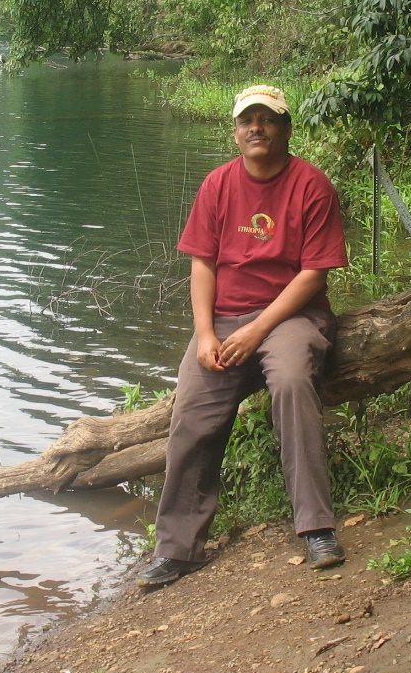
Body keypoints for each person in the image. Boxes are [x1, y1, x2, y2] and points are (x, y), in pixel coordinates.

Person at [137, 85, 349, 588]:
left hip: (292, 317)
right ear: (235, 131)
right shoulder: (217, 185)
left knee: (293, 381)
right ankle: (178, 547)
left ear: (286, 128)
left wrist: (258, 329)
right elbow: (202, 264)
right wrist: (206, 333)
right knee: (191, 409)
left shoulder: (312, 185)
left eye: (267, 119)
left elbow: (313, 275)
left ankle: (316, 527)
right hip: (226, 318)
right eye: (246, 120)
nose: (256, 127)